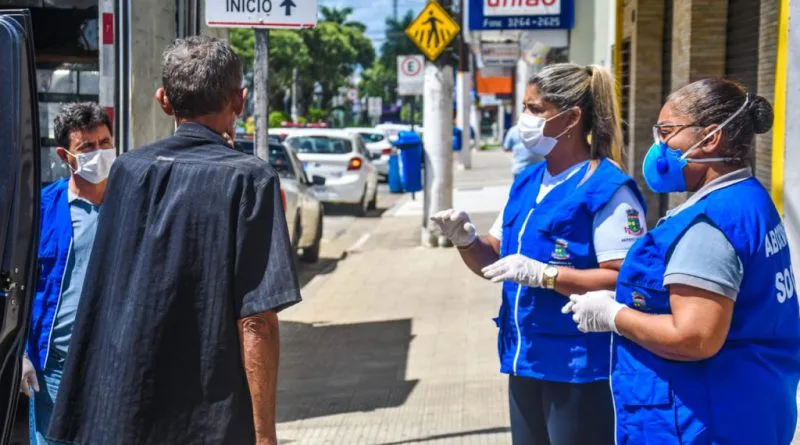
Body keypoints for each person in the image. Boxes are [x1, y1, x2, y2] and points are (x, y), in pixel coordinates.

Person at [47, 36, 301, 445]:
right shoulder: (250, 179)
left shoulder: (128, 171)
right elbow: (255, 321)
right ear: (239, 100)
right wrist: (265, 436)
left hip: (122, 413)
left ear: (164, 101)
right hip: (210, 424)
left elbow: (101, 298)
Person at [565, 79, 800, 444]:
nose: (658, 147)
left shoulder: (708, 226)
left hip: (702, 422)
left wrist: (613, 316)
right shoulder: (750, 199)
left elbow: (695, 337)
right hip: (753, 407)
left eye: (667, 132)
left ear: (710, 139)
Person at [430, 63, 648, 445]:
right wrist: (465, 240)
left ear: (571, 118)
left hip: (578, 366)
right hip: (524, 357)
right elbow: (495, 259)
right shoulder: (528, 180)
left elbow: (625, 278)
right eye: (524, 107)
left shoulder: (608, 189)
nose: (524, 119)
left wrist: (546, 276)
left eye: (534, 109)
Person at [21, 103, 114, 445]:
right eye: (87, 147)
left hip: (116, 365)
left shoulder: (131, 204)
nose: (100, 153)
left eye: (105, 142)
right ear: (65, 155)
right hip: (56, 368)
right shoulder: (42, 210)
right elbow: (17, 285)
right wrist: (21, 355)